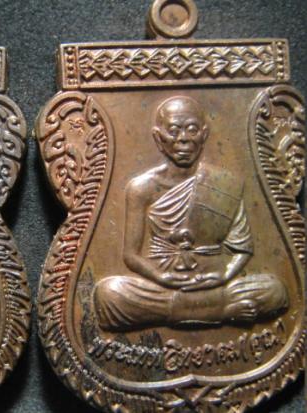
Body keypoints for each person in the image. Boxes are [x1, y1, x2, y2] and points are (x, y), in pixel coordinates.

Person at [93, 96, 288, 332]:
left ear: (204, 135)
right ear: (158, 137)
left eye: (192, 129)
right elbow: (131, 256)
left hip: (213, 281)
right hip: (164, 285)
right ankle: (221, 311)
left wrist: (224, 275)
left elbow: (242, 248)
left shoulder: (224, 184)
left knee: (275, 291)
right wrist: (162, 278)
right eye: (174, 130)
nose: (183, 139)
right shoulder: (141, 188)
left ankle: (182, 311)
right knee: (109, 294)